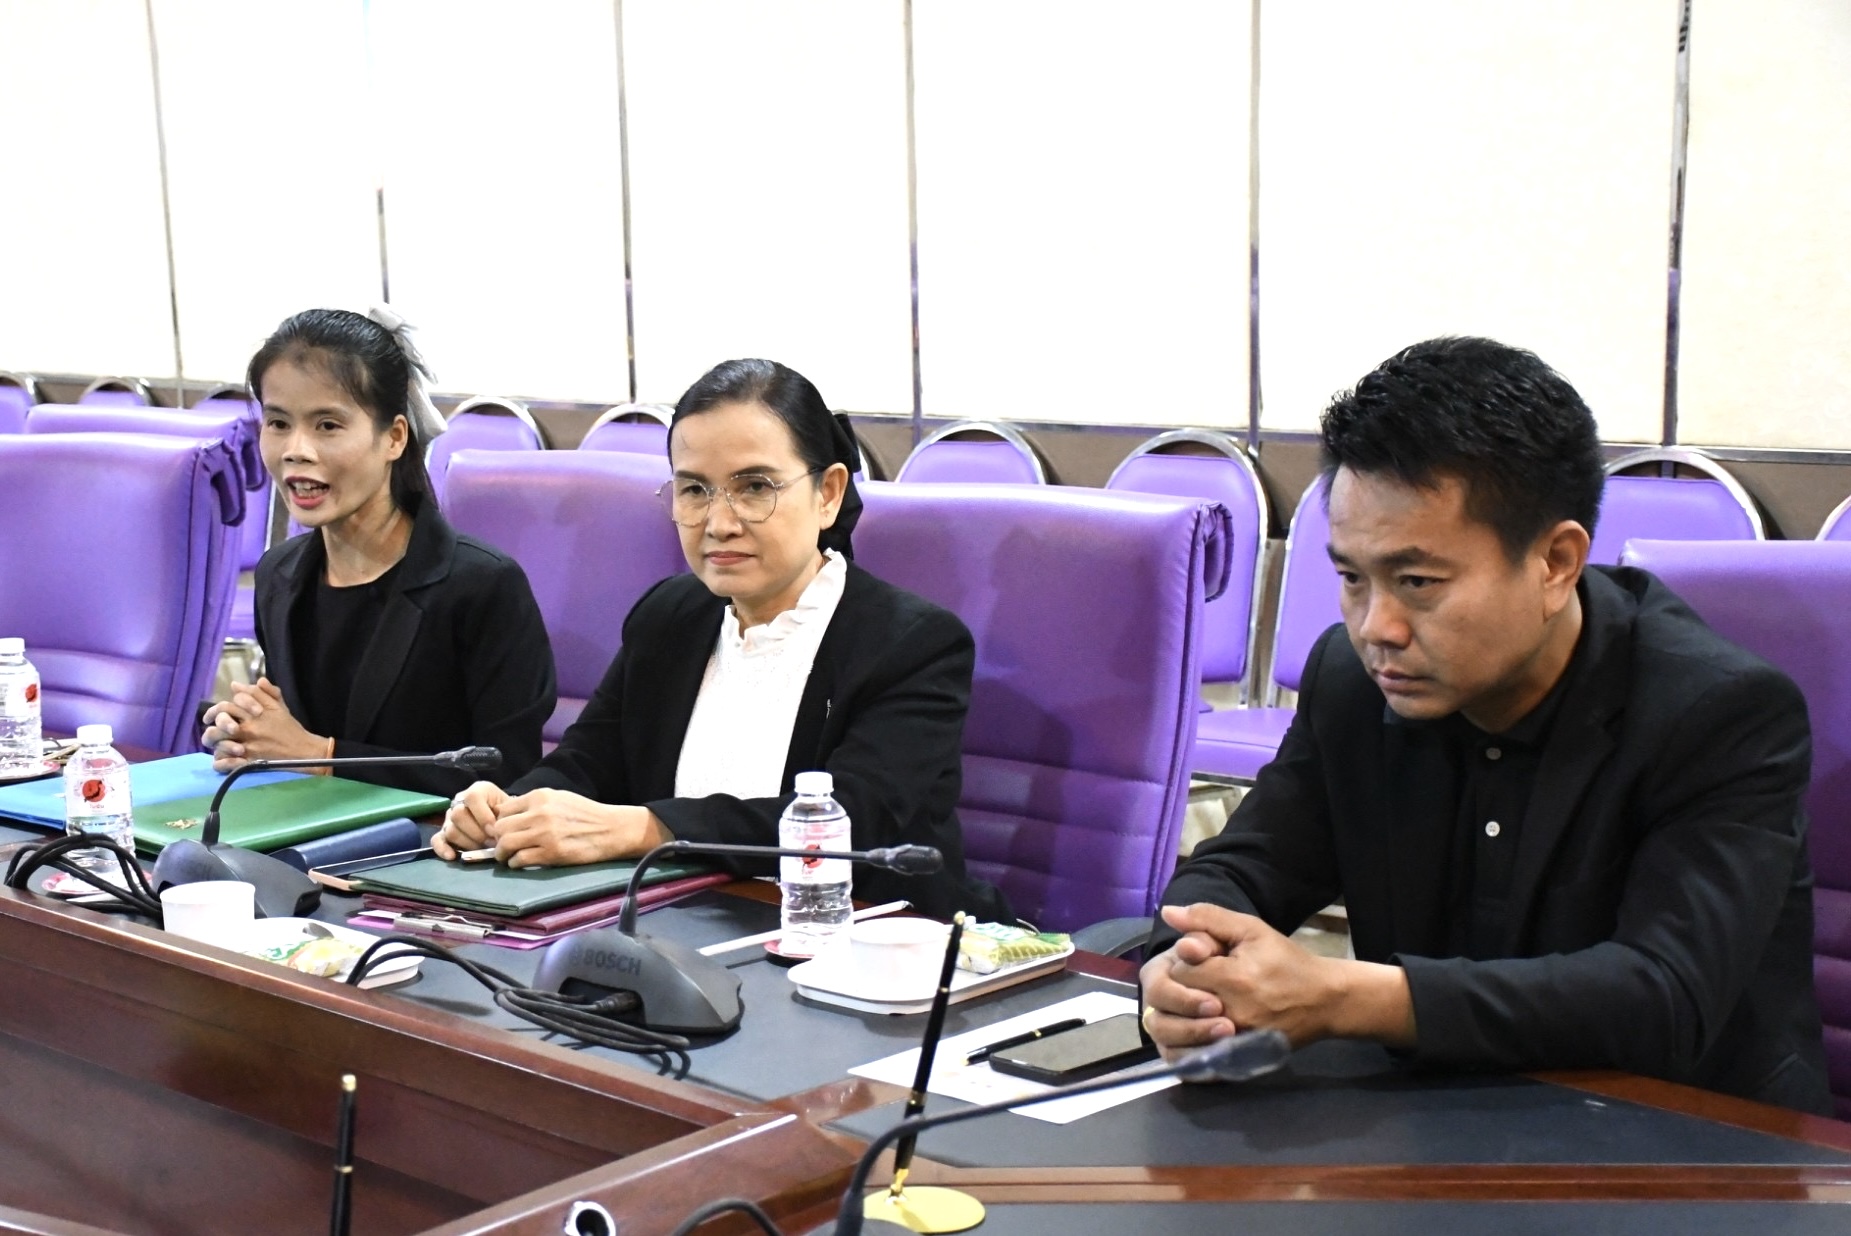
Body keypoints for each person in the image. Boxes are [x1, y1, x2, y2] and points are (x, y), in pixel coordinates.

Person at [1141, 336, 1831, 1114]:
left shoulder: (1718, 712)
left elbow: (1662, 996)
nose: (1376, 628)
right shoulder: (1352, 680)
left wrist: (1345, 996)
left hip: (1694, 1135)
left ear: (1555, 562)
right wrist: (1184, 966)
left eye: (1416, 581)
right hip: (1438, 1114)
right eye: (1350, 578)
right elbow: (1245, 865)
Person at [433, 358, 1010, 922]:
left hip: (867, 939)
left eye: (754, 487)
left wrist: (650, 829)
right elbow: (588, 762)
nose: (719, 523)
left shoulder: (911, 643)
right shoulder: (670, 615)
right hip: (679, 923)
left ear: (828, 493)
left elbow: (853, 822)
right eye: (694, 490)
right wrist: (509, 809)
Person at [201, 306, 556, 797]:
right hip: (308, 826)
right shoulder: (278, 574)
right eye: (278, 423)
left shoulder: (481, 585)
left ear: (394, 437)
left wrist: (322, 756)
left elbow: (508, 774)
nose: (296, 449)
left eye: (327, 425)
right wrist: (250, 736)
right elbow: (295, 745)